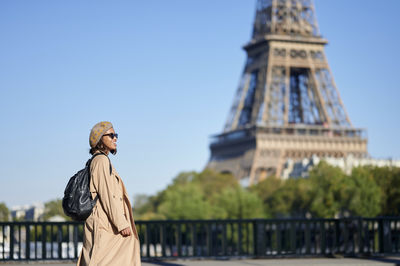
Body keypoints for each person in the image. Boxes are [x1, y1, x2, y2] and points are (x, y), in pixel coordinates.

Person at [77, 121, 141, 266]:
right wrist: (121, 223)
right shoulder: (101, 161)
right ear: (100, 139)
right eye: (111, 135)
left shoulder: (100, 160)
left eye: (116, 135)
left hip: (105, 222)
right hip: (106, 225)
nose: (115, 138)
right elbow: (107, 195)